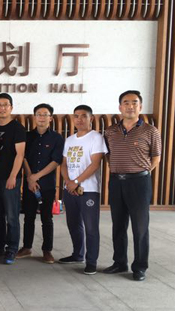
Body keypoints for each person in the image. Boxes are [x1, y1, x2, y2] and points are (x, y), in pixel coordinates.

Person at [103, 90, 162, 281]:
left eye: (134, 102)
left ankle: (140, 267)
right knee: (118, 225)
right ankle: (120, 262)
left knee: (140, 226)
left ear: (140, 107)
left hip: (139, 182)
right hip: (116, 182)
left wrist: (141, 171)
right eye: (126, 103)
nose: (130, 106)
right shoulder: (110, 131)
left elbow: (156, 157)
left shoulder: (150, 131)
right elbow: (108, 155)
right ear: (120, 107)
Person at [59, 105, 107, 275]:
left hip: (89, 190)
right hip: (70, 189)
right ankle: (77, 254)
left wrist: (76, 181)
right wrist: (68, 182)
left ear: (91, 118)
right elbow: (63, 164)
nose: (79, 119)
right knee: (73, 224)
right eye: (76, 116)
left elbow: (95, 164)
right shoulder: (69, 140)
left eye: (83, 116)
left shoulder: (96, 138)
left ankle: (91, 261)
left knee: (91, 227)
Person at [17, 103, 64, 264]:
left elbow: (56, 161)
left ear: (51, 118)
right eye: (39, 114)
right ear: (34, 117)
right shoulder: (27, 136)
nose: (42, 117)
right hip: (29, 183)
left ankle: (47, 250)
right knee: (28, 216)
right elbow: (23, 157)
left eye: (45, 114)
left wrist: (36, 176)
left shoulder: (57, 138)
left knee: (46, 218)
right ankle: (26, 247)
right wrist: (30, 178)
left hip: (47, 184)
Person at [0, 93, 26, 265]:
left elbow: (20, 154)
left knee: (11, 216)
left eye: (6, 105)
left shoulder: (17, 128)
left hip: (10, 179)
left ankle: (12, 248)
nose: (2, 108)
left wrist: (13, 176)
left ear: (11, 108)